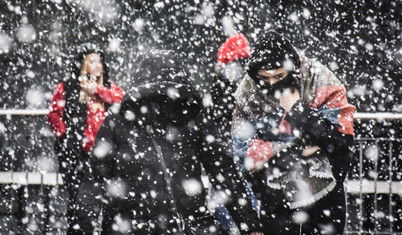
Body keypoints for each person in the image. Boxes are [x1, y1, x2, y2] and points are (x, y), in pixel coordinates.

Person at [89, 50, 263, 234]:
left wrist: (249, 223)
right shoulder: (190, 116)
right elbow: (223, 172)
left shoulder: (121, 119)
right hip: (177, 225)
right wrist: (249, 223)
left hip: (157, 225)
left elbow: (223, 171)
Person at [232, 31, 356, 234]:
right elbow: (244, 153)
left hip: (326, 191)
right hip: (275, 194)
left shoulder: (320, 78)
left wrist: (298, 111)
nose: (272, 84)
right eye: (265, 78)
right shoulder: (247, 93)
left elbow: (342, 139)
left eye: (279, 76)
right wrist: (299, 151)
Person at [47, 44, 124, 232]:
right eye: (92, 61)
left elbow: (122, 100)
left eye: (99, 61)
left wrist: (98, 91)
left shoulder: (108, 87)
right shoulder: (67, 86)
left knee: (110, 205)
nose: (97, 65)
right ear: (82, 64)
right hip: (77, 155)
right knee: (78, 207)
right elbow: (54, 115)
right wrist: (65, 137)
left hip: (105, 155)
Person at [210, 33, 258, 234]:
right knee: (248, 198)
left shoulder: (221, 81)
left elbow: (215, 114)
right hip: (246, 148)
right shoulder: (251, 78)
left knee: (223, 200)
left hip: (225, 150)